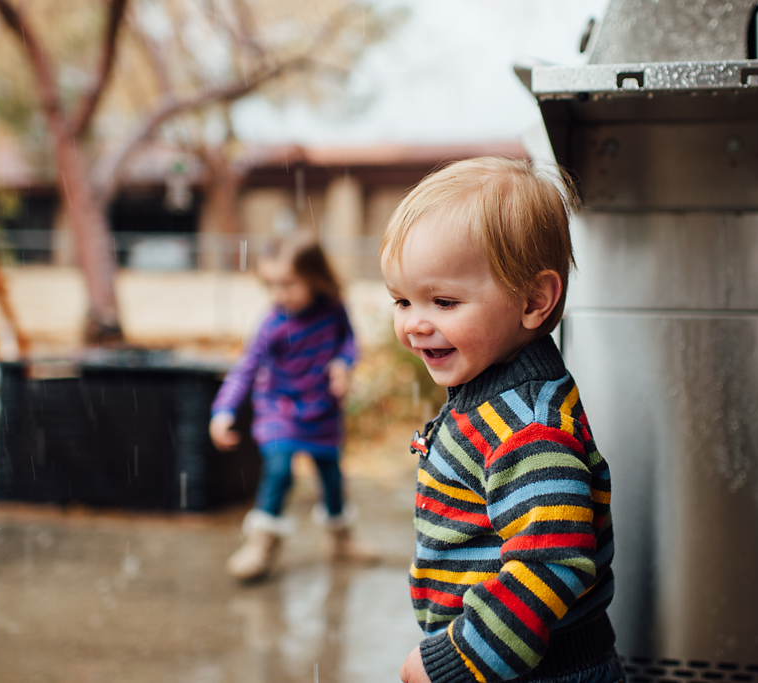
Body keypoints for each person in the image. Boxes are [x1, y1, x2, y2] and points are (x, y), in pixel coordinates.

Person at [380, 157, 623, 683]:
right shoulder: (487, 392)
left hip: (538, 671)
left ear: (534, 301)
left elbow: (551, 562)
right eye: (402, 300)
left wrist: (459, 659)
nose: (415, 323)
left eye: (443, 302)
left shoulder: (527, 429)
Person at [210, 230, 375, 581]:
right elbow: (245, 368)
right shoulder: (272, 325)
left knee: (331, 478)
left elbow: (349, 343)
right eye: (270, 284)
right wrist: (223, 410)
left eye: (288, 284)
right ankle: (261, 544)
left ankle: (341, 539)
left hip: (323, 412)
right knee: (280, 471)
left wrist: (343, 364)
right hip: (279, 411)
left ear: (315, 277)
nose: (278, 294)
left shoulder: (333, 310)